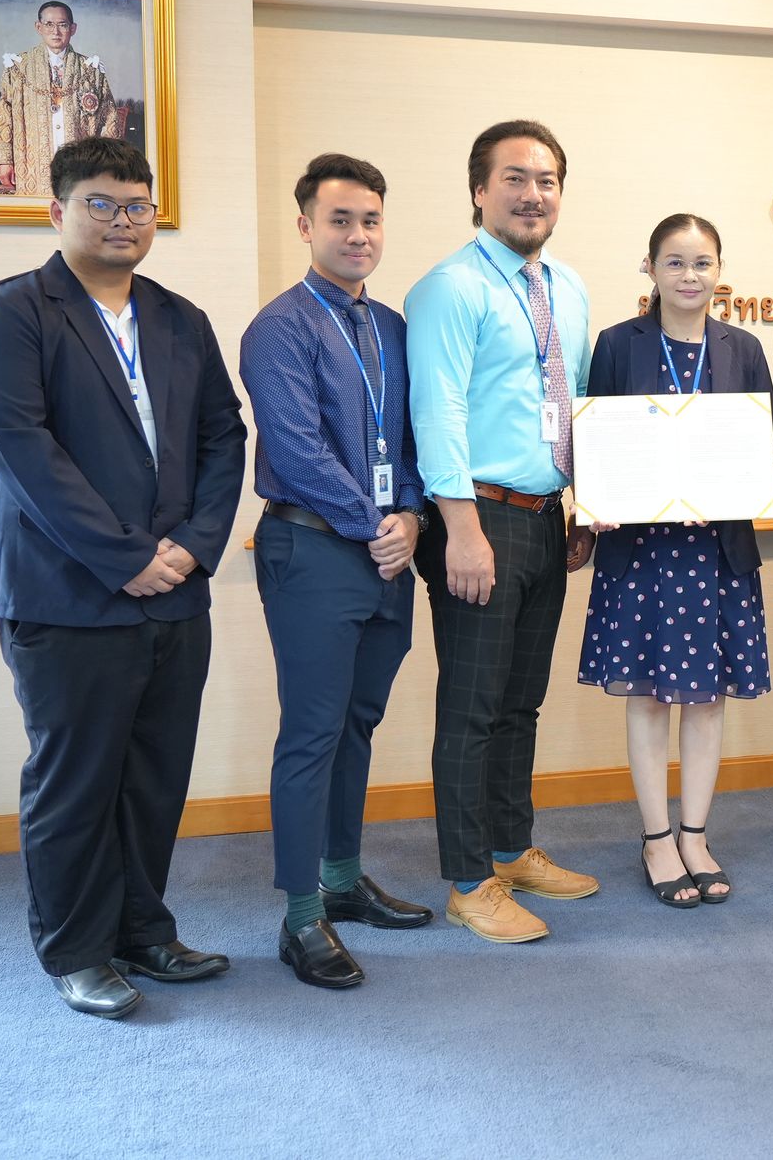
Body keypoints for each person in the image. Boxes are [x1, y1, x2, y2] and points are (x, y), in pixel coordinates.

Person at [0, 136, 246, 1019]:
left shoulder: (178, 317)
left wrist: (194, 547)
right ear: (57, 211)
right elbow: (22, 450)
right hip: (68, 596)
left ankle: (143, 930)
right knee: (77, 779)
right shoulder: (11, 311)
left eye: (137, 205)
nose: (123, 220)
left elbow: (222, 437)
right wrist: (127, 557)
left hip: (177, 592)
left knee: (156, 775)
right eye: (101, 203)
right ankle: (77, 951)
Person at [239, 153, 432, 989]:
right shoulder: (278, 328)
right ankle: (300, 916)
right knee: (312, 732)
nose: (358, 235)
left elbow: (417, 437)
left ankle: (346, 882)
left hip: (389, 550)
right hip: (314, 546)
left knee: (358, 723)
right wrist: (375, 525)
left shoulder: (391, 326)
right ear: (306, 225)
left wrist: (414, 516)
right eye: (341, 219)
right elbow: (297, 451)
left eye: (371, 220)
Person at [405, 120, 599, 945]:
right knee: (472, 707)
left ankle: (512, 848)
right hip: (475, 516)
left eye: (547, 178)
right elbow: (436, 408)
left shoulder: (569, 288)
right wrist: (460, 529)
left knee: (522, 701)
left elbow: (577, 402)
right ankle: (466, 880)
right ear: (480, 191)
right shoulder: (452, 287)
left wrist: (582, 504)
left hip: (545, 517)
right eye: (514, 177)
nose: (533, 193)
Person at [578, 214, 773, 907]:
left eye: (701, 263)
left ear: (719, 269)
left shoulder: (744, 347)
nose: (689, 276)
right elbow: (594, 435)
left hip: (715, 548)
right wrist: (597, 496)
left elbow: (759, 448)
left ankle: (696, 832)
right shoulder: (617, 344)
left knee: (709, 697)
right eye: (675, 262)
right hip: (644, 549)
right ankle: (656, 837)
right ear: (650, 268)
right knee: (650, 696)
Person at [0, 0, 122, 197]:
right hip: (31, 164)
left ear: (73, 28)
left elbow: (110, 118)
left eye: (63, 25)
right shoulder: (18, 68)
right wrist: (4, 161)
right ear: (38, 27)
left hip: (80, 167)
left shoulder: (91, 71)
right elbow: (3, 115)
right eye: (49, 24)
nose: (56, 32)